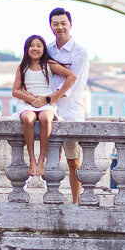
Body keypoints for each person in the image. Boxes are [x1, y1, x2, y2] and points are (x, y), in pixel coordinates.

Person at [12, 33, 76, 177]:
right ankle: (32, 159)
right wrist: (29, 98)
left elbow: (72, 76)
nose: (35, 48)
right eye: (32, 45)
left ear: (43, 49)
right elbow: (15, 91)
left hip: (46, 103)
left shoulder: (49, 64)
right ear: (26, 49)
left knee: (46, 118)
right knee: (28, 119)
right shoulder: (22, 66)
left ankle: (42, 159)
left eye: (39, 46)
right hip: (27, 103)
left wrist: (55, 96)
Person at [45, 6, 90, 201]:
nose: (60, 27)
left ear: (70, 25)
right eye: (56, 24)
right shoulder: (46, 50)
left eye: (63, 23)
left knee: (74, 161)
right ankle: (52, 199)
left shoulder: (80, 52)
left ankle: (75, 201)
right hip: (49, 111)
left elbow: (77, 82)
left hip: (71, 111)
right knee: (52, 161)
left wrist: (55, 95)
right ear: (50, 26)